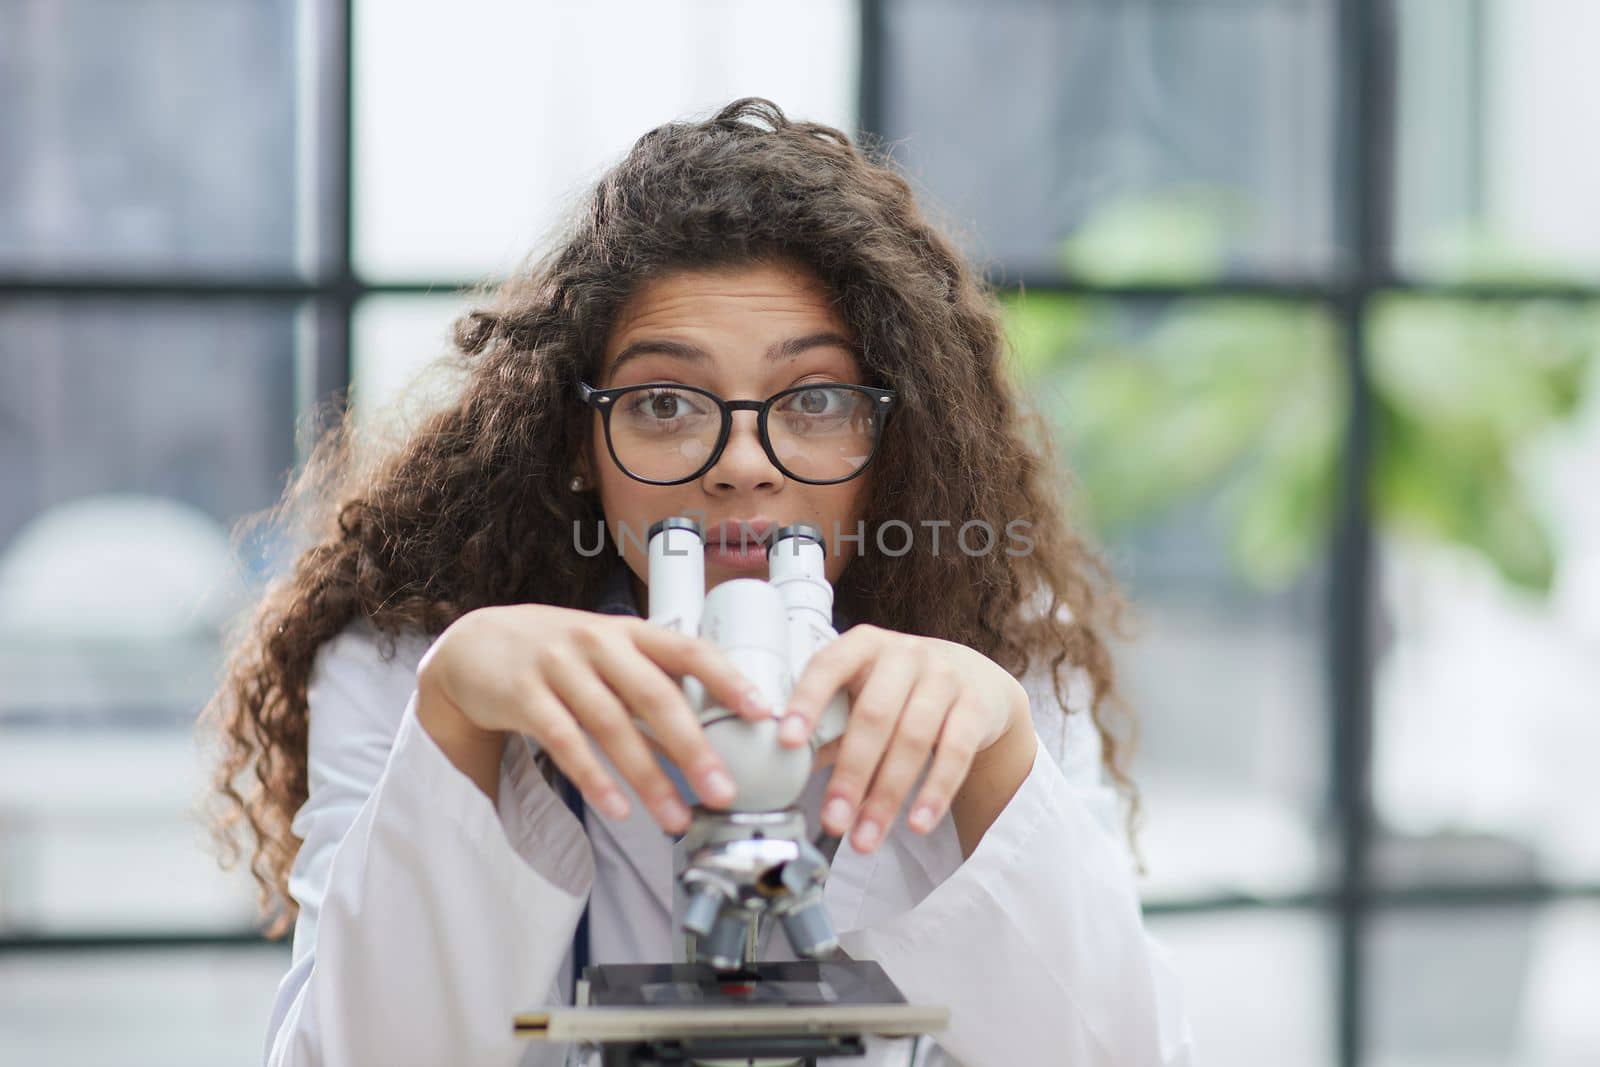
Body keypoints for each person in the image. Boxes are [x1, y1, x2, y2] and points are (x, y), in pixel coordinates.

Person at [202, 96, 1196, 1066]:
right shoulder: (401, 667)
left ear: (894, 442)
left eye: (812, 398)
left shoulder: (1001, 660)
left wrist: (998, 765)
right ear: (580, 440)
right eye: (667, 401)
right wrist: (458, 728)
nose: (742, 463)